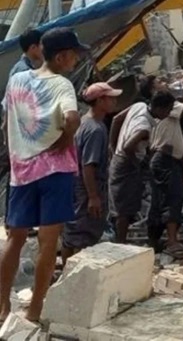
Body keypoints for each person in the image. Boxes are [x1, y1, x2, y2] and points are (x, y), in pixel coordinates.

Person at [0, 28, 88, 322]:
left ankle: (2, 307)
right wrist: (65, 138)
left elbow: (6, 121)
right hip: (55, 171)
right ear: (62, 57)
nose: (76, 59)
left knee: (15, 239)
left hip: (21, 171)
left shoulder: (17, 80)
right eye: (74, 54)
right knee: (49, 242)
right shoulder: (62, 85)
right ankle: (35, 308)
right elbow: (72, 118)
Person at [62, 82, 122, 261]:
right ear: (100, 101)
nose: (114, 101)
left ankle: (67, 274)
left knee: (72, 234)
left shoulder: (85, 122)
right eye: (110, 98)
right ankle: (76, 277)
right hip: (88, 188)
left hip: (77, 185)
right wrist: (93, 197)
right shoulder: (95, 129)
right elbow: (88, 165)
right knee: (84, 235)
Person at [108, 91, 176, 244]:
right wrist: (137, 164)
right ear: (159, 108)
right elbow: (128, 147)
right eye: (168, 109)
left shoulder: (139, 106)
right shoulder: (144, 127)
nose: (169, 113)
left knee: (123, 205)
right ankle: (120, 244)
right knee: (123, 209)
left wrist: (112, 146)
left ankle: (120, 241)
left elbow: (116, 119)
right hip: (126, 164)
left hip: (120, 160)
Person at [147, 78, 183, 256]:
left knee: (160, 199)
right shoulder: (171, 106)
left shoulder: (158, 107)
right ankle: (171, 241)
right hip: (166, 160)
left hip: (160, 159)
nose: (164, 83)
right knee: (172, 198)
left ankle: (155, 240)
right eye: (159, 82)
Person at [2, 29, 44, 228]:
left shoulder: (24, 67)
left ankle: (16, 220)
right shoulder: (21, 71)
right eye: (41, 45)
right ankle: (14, 221)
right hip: (16, 132)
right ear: (33, 47)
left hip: (15, 130)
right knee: (17, 175)